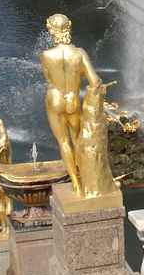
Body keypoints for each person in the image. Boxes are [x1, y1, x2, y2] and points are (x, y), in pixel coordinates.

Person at [41, 13, 103, 189]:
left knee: (63, 142)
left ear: (52, 31)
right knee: (78, 139)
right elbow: (95, 81)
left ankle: (75, 182)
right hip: (72, 99)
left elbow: (48, 78)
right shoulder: (79, 53)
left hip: (54, 99)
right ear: (69, 28)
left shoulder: (46, 55)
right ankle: (85, 178)